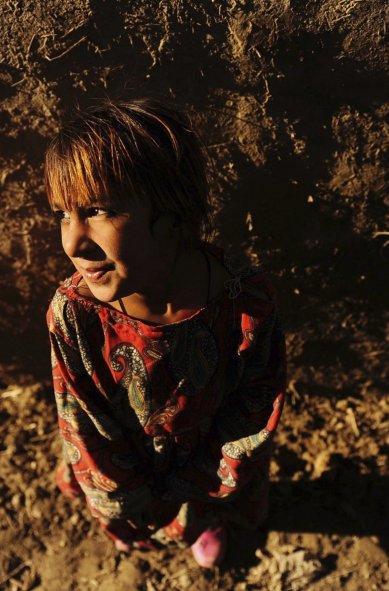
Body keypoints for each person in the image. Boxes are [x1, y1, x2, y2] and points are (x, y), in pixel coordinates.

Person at [43, 98, 286, 568]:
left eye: (97, 209)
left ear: (172, 214)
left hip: (207, 467)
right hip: (125, 462)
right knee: (125, 516)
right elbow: (85, 425)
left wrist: (199, 488)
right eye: (62, 215)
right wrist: (127, 504)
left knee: (204, 511)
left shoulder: (246, 302)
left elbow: (257, 402)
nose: (72, 240)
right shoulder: (75, 315)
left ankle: (205, 522)